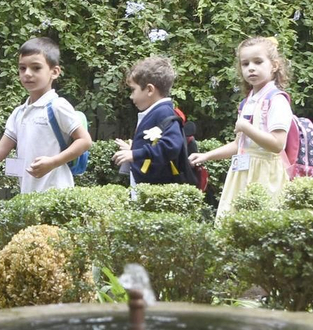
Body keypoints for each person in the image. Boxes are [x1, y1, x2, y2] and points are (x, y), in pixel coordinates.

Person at [0, 37, 91, 195]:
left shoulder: (57, 106)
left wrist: (52, 162)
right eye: (22, 68)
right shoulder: (19, 113)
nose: (27, 74)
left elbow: (84, 141)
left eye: (36, 68)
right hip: (28, 196)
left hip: (56, 194)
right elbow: (1, 150)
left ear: (54, 72)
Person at [191, 37, 294, 216]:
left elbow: (278, 145)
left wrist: (246, 127)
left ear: (275, 65)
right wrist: (206, 156)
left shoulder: (276, 100)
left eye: (258, 62)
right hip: (242, 173)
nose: (251, 68)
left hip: (265, 175)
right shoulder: (248, 101)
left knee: (260, 226)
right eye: (245, 64)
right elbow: (239, 145)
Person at [112, 56, 193, 185]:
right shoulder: (156, 112)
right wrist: (133, 148)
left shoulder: (163, 112)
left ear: (150, 90)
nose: (131, 96)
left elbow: (172, 145)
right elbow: (156, 145)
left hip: (155, 189)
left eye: (133, 90)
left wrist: (135, 154)